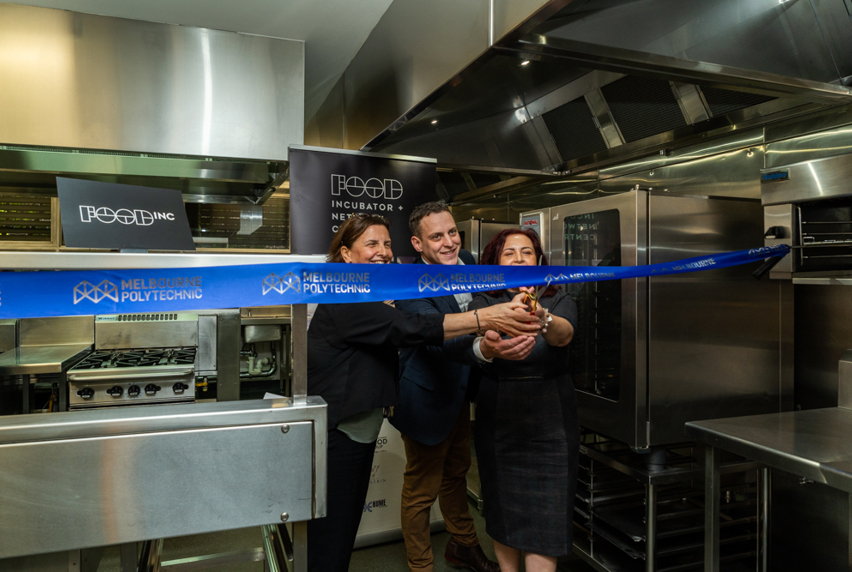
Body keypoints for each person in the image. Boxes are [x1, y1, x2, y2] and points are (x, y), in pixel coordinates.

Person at [306, 214, 541, 572]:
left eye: (386, 244)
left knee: (343, 526)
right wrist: (487, 319)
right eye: (372, 244)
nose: (383, 252)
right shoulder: (345, 293)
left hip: (363, 423)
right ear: (346, 254)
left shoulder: (373, 289)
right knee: (333, 533)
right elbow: (411, 327)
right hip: (341, 426)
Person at [392, 202, 535, 572]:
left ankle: (464, 545)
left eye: (452, 232)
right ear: (418, 244)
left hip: (462, 392)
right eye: (436, 236)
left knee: (457, 472)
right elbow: (435, 338)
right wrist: (484, 345)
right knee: (421, 490)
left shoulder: (470, 261)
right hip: (426, 394)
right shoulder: (409, 284)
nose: (448, 242)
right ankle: (421, 566)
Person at [468, 229, 578, 572]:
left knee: (549, 512)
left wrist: (540, 315)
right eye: (509, 253)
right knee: (503, 506)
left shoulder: (559, 297)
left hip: (552, 415)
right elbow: (481, 340)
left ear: (539, 260)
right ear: (496, 262)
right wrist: (498, 328)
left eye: (526, 252)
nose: (518, 259)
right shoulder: (483, 302)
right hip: (498, 411)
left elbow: (565, 335)